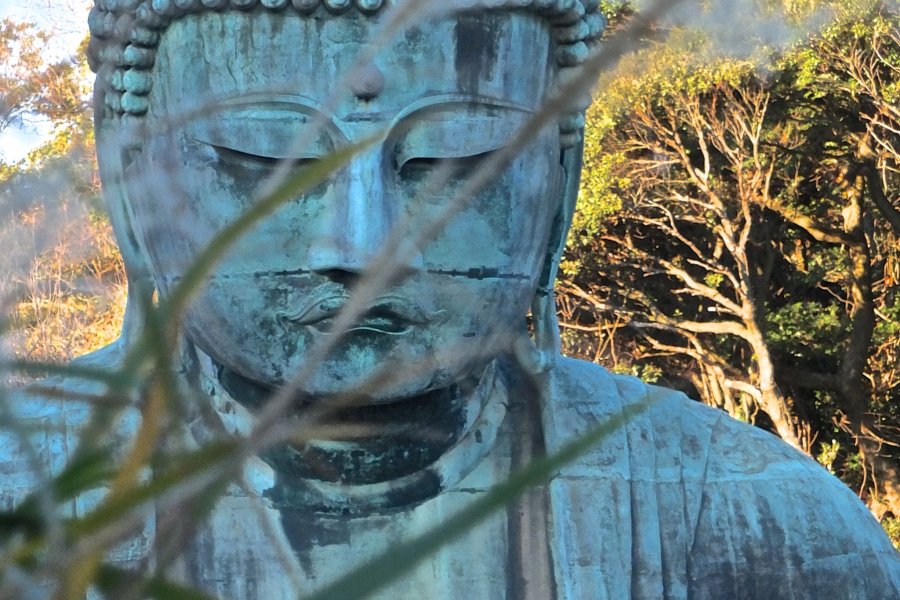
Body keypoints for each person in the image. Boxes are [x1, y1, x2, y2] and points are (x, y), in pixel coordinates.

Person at [1, 1, 898, 598]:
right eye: (268, 159)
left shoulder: (751, 528)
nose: (360, 248)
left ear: (561, 177)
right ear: (126, 183)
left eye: (449, 163)